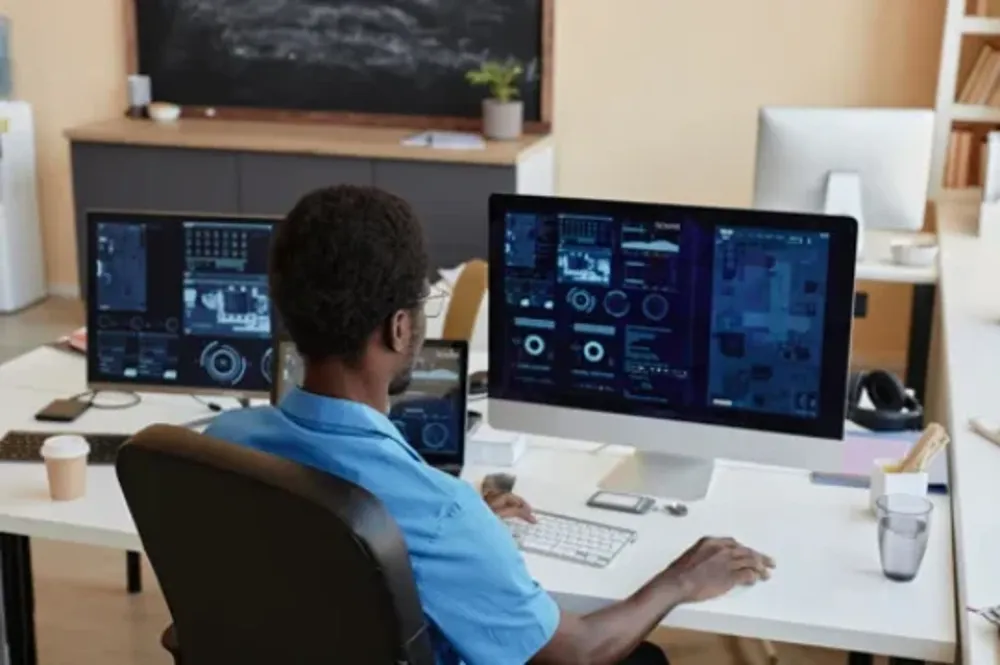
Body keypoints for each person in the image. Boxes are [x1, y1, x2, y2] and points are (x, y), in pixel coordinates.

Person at [205, 185, 775, 665]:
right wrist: (679, 581)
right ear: (400, 328)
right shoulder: (439, 512)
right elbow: (578, 651)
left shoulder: (221, 448)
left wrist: (464, 526)